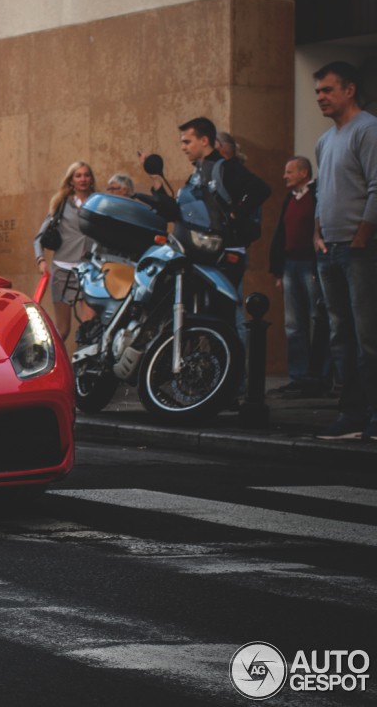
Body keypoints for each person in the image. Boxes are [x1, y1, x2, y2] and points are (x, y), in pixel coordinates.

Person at [310, 61, 377, 441]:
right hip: (329, 251)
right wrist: (318, 235)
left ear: (349, 90)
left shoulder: (367, 130)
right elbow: (322, 194)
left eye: (327, 90)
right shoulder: (324, 140)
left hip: (360, 251)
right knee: (341, 337)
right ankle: (351, 415)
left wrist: (361, 239)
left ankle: (374, 416)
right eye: (317, 92)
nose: (320, 97)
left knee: (369, 338)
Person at [140, 117, 270, 290]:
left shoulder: (226, 168)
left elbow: (261, 189)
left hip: (224, 253)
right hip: (199, 252)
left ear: (204, 140)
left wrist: (234, 214)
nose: (183, 147)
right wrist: (155, 180)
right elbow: (179, 210)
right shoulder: (198, 172)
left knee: (224, 309)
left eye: (187, 142)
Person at [269, 157, 326, 398]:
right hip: (290, 266)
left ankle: (320, 377)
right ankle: (298, 377)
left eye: (289, 172)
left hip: (310, 266)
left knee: (320, 320)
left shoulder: (316, 195)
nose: (285, 176)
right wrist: (279, 271)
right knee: (293, 325)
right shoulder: (290, 199)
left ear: (304, 173)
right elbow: (281, 233)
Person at [33, 161, 97, 341]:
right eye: (78, 175)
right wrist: (41, 260)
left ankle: (83, 366)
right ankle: (53, 366)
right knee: (63, 330)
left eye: (86, 175)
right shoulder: (61, 203)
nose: (83, 179)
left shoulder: (98, 201)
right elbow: (39, 237)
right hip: (62, 271)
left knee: (89, 327)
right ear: (71, 180)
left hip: (88, 270)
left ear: (91, 179)